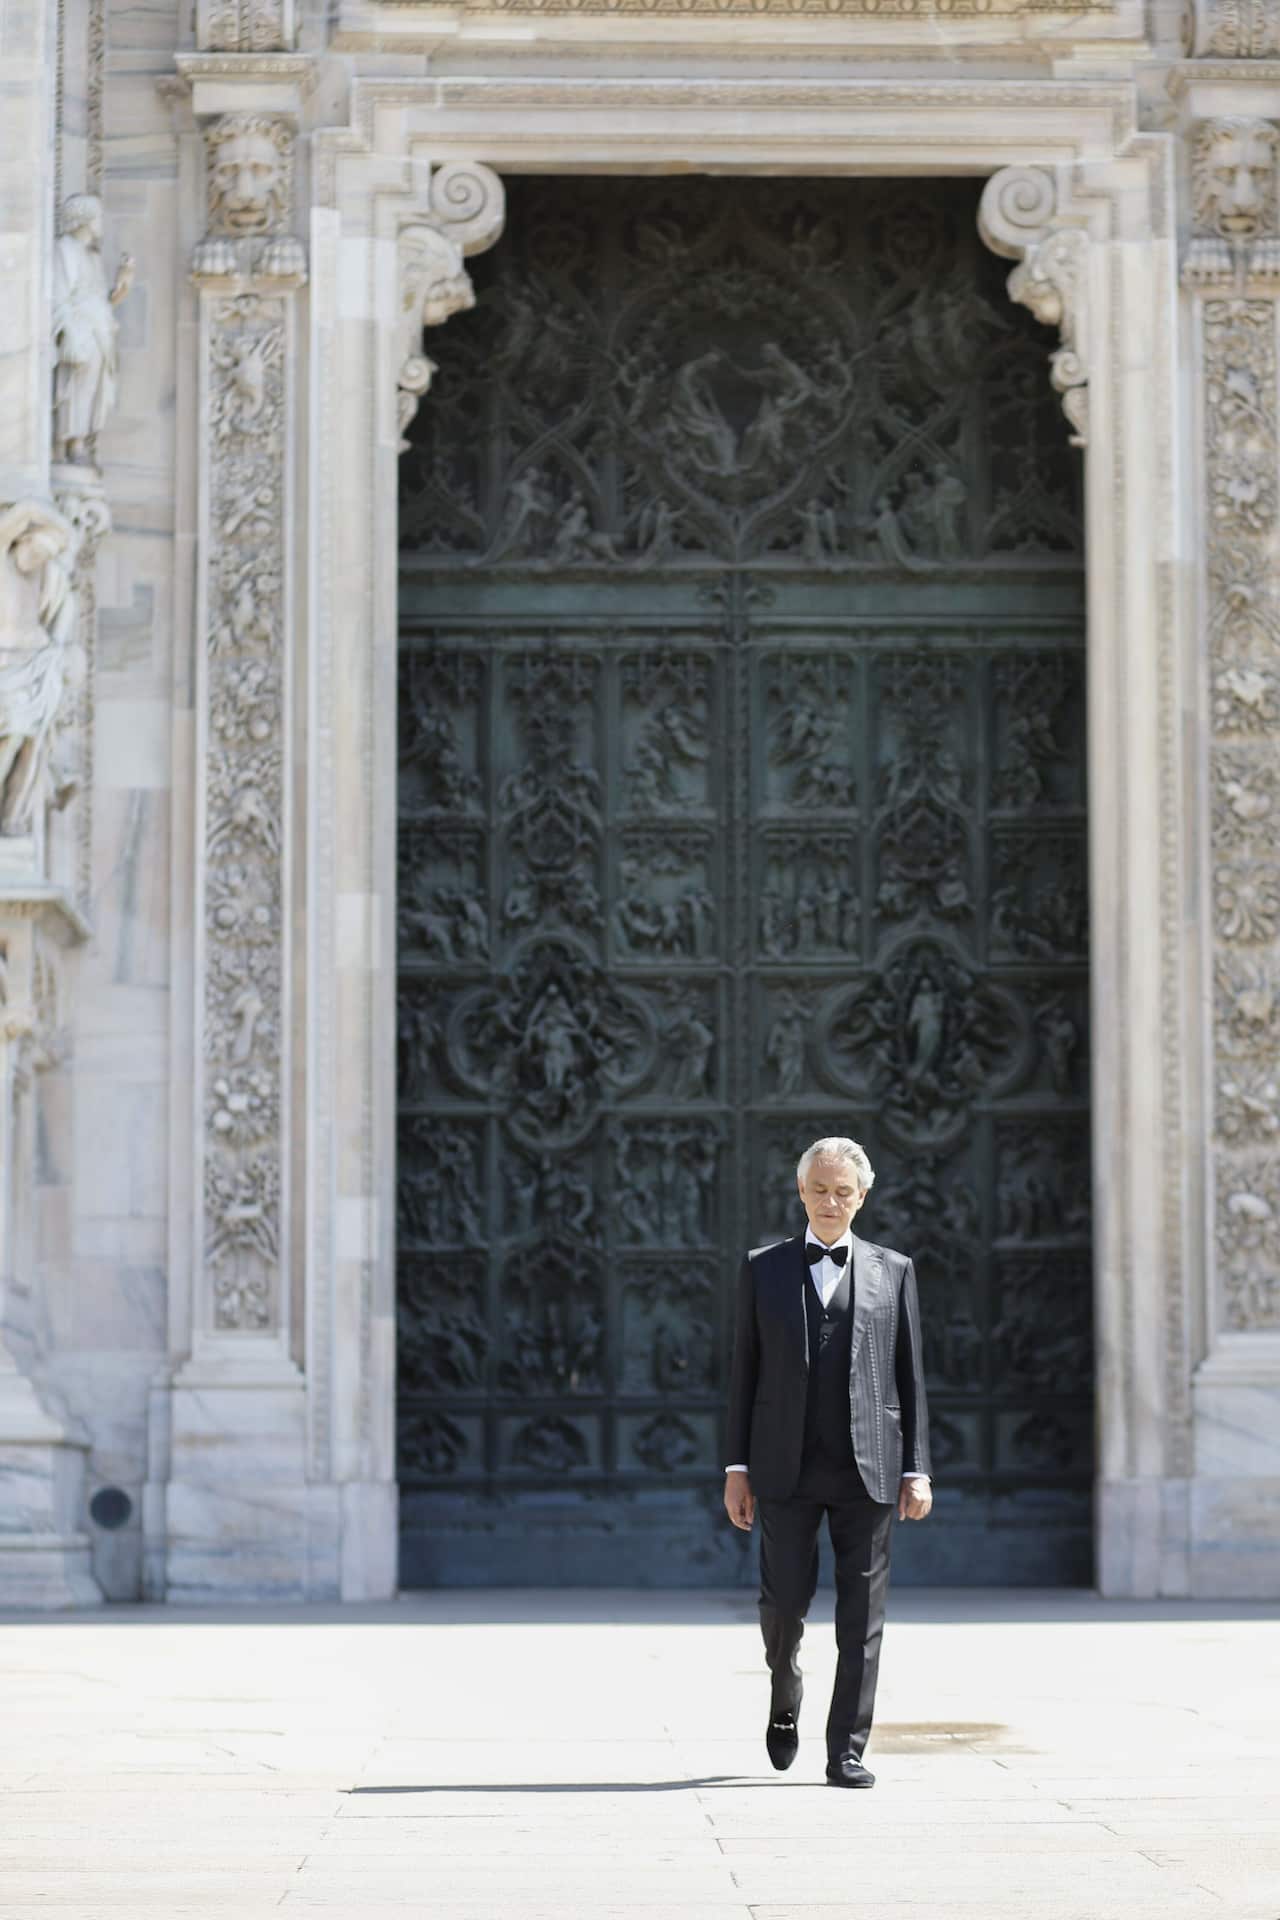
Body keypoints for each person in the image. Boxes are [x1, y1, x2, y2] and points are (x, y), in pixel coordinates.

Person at [724, 1136, 932, 1788]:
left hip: (868, 1469)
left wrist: (916, 1468)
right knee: (784, 1605)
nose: (830, 1202)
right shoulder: (763, 1268)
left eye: (843, 1191)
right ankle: (784, 1687)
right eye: (820, 1189)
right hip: (783, 1467)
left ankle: (846, 1750)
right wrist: (735, 1468)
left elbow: (910, 1377)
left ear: (862, 1196)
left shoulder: (894, 1271)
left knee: (861, 1619)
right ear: (801, 1191)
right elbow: (743, 1373)